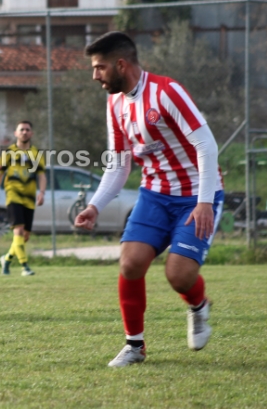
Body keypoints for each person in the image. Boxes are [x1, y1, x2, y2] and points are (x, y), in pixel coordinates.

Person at [73, 31, 224, 368]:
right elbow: (119, 164)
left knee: (179, 275)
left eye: (99, 67)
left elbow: (206, 145)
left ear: (120, 65)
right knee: (130, 263)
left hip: (197, 196)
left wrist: (204, 202)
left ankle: (199, 306)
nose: (95, 75)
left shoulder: (167, 91)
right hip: (154, 195)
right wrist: (95, 206)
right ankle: (135, 346)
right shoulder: (115, 103)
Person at [0, 121, 46, 277]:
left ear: (31, 133)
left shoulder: (36, 153)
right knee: (18, 230)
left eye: (27, 129)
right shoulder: (9, 153)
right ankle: (24, 267)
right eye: (21, 130)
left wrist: (42, 192)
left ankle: (6, 259)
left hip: (29, 197)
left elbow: (41, 175)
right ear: (16, 133)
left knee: (24, 236)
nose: (24, 132)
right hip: (13, 195)